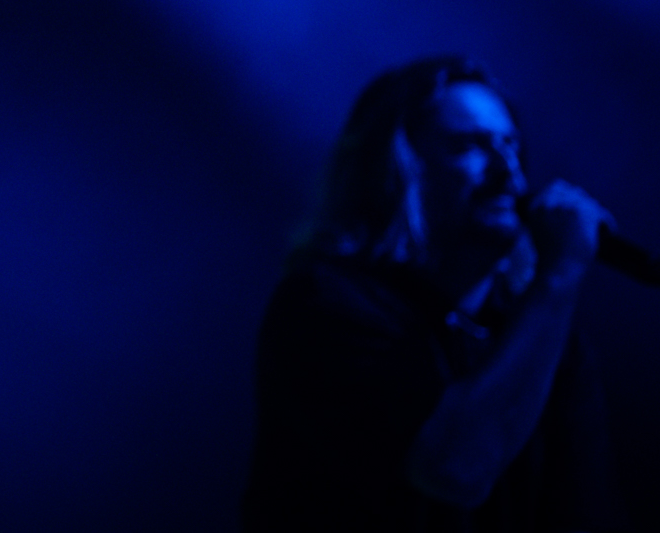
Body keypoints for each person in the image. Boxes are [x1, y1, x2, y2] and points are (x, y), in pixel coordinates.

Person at [241, 56, 627, 531]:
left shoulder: (549, 342)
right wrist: (559, 274)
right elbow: (454, 469)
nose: (508, 170)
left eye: (511, 145)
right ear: (396, 171)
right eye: (469, 146)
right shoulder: (325, 306)